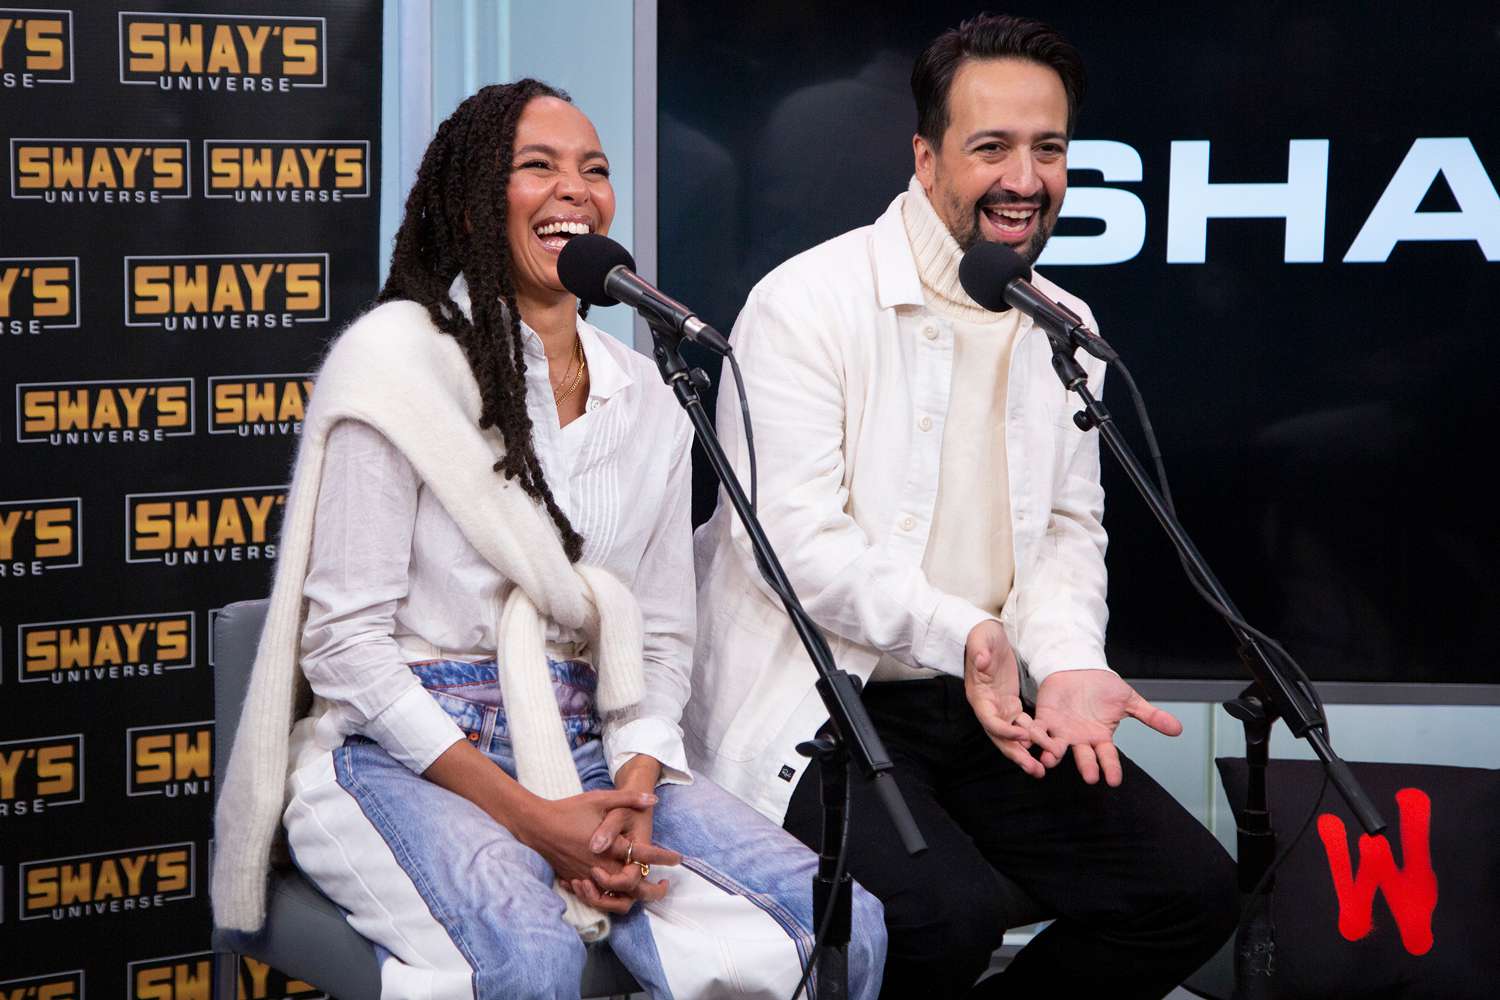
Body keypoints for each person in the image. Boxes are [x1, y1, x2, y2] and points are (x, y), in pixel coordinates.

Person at [211, 79, 885, 1000]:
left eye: (594, 170)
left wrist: (633, 802)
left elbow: (657, 638)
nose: (576, 189)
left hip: (595, 743)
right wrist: (534, 819)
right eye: (538, 167)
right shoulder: (399, 364)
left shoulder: (645, 392)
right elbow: (347, 650)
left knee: (841, 920)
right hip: (403, 749)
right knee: (529, 947)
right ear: (476, 198)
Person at [685, 15, 1237, 999]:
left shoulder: (1066, 325)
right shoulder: (803, 306)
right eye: (991, 147)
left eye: (1050, 147)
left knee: (1189, 892)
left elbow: (1068, 530)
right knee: (944, 918)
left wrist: (1067, 662)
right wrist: (969, 631)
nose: (1025, 178)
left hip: (983, 707)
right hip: (824, 702)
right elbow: (794, 546)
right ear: (926, 157)